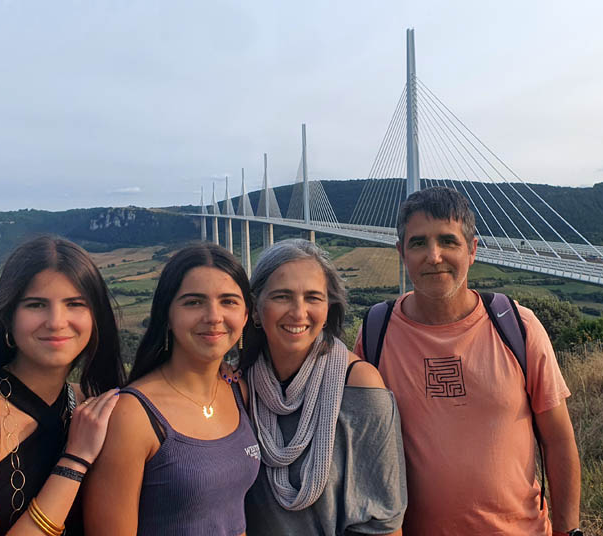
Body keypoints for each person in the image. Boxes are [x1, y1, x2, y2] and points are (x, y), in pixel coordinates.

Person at [354, 187, 582, 536]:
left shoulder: (518, 326)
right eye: (418, 243)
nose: (434, 256)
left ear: (472, 250)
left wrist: (569, 531)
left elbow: (558, 440)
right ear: (401, 253)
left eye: (448, 241)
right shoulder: (375, 333)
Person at [0, 235, 126, 536]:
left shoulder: (95, 405)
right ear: (8, 318)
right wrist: (75, 460)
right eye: (36, 305)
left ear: (96, 319)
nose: (56, 322)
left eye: (75, 304)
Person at [83, 243, 261, 535]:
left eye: (228, 301)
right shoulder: (132, 416)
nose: (213, 316)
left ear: (245, 316)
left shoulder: (237, 391)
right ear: (167, 315)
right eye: (194, 302)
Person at [242, 239, 407, 536]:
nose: (298, 312)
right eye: (282, 296)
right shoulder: (238, 387)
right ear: (255, 309)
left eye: (313, 298)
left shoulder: (358, 386)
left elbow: (384, 522)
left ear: (329, 308)